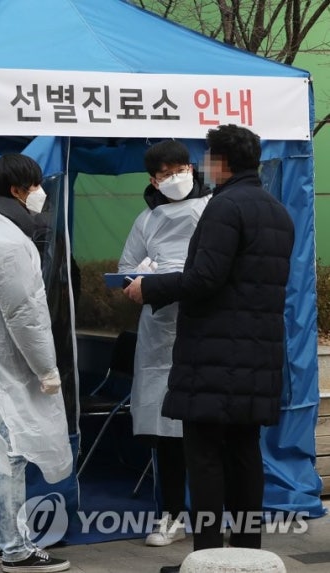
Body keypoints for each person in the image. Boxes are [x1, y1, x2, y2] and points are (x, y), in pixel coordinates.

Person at [123, 126, 295, 573]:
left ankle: (206, 556)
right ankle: (248, 553)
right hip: (257, 352)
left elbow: (205, 278)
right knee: (244, 451)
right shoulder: (277, 211)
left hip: (214, 353)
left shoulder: (223, 207)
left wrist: (151, 287)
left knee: (204, 456)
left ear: (220, 162)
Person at [0, 154, 73, 573]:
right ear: (18, 191)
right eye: (35, 186)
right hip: (3, 359)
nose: (41, 193)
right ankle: (15, 549)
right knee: (12, 450)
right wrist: (46, 369)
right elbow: (25, 314)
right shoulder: (8, 241)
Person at [118, 140, 211, 547]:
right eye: (165, 174)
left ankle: (217, 516)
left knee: (211, 429)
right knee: (167, 429)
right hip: (160, 335)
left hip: (205, 329)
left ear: (192, 167)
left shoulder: (213, 210)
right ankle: (172, 515)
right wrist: (141, 279)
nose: (175, 178)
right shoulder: (147, 220)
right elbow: (126, 270)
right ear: (153, 180)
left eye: (180, 169)